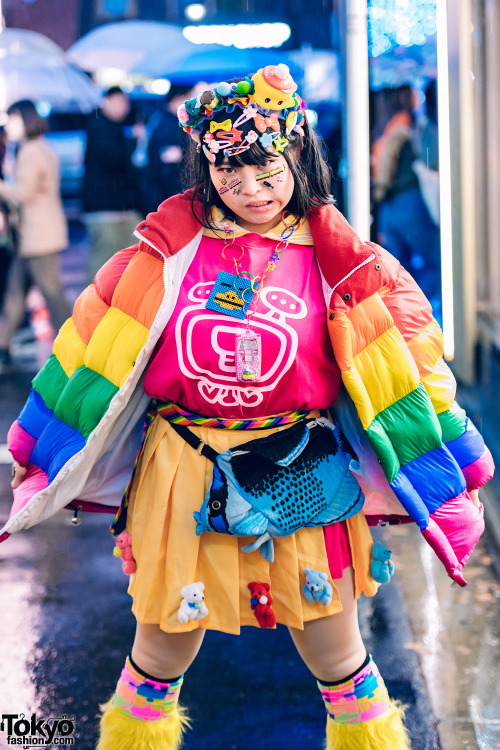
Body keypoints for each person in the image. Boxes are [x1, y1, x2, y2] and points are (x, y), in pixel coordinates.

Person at [3, 64, 494, 750]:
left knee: (334, 649)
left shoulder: (344, 262)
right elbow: (88, 354)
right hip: (182, 471)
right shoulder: (162, 253)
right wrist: (38, 448)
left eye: (269, 171)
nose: (252, 190)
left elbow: (408, 371)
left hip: (298, 469)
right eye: (232, 173)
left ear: (299, 160)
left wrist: (447, 467)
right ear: (208, 167)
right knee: (161, 650)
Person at [0, 99, 70, 370]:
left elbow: (23, 194)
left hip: (38, 236)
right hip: (35, 236)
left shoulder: (30, 151)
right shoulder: (40, 147)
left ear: (25, 119)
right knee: (16, 294)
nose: (9, 124)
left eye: (13, 118)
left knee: (51, 294)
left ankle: (74, 345)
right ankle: (3, 344)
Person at [371, 85, 442, 323]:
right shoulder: (407, 123)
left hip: (387, 208)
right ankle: (413, 313)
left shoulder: (380, 127)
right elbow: (430, 158)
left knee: (395, 277)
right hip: (410, 203)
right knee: (441, 265)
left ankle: (399, 321)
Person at [82, 86, 142, 281]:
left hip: (120, 206)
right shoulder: (99, 126)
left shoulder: (116, 128)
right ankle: (93, 306)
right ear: (105, 102)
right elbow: (111, 159)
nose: (123, 107)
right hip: (104, 208)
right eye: (118, 102)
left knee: (127, 257)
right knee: (104, 259)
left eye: (125, 103)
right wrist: (133, 142)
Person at [139, 83, 192, 215]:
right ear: (178, 99)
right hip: (166, 197)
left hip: (163, 194)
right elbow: (168, 165)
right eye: (189, 100)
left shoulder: (161, 119)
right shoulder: (168, 125)